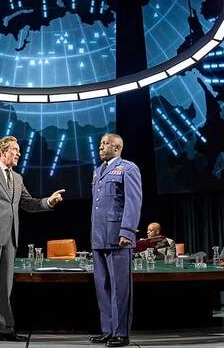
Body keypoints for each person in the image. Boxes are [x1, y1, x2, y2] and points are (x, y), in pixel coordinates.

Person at [0, 135, 64, 344]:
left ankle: (3, 329)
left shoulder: (17, 178)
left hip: (10, 238)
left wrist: (49, 201)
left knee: (5, 287)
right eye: (15, 150)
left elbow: (28, 203)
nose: (19, 153)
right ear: (3, 152)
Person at [89, 133, 142, 348]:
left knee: (120, 287)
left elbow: (133, 201)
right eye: (100, 143)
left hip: (118, 237)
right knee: (102, 287)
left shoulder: (128, 168)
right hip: (99, 237)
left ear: (117, 147)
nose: (101, 147)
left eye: (105, 144)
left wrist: (127, 231)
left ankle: (121, 333)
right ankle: (107, 330)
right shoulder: (98, 171)